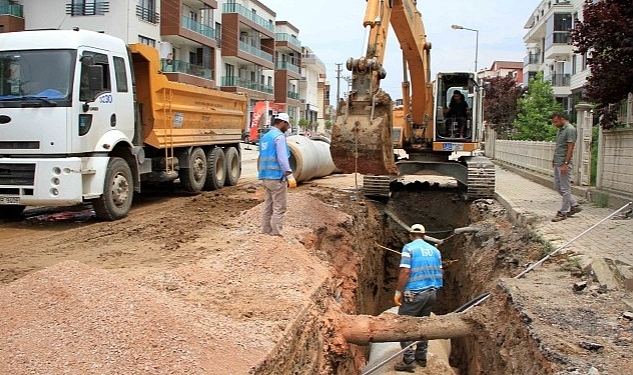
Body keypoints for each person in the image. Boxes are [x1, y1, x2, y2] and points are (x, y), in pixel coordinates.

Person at [393, 224, 443, 372]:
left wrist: (398, 292)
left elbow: (405, 272)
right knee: (423, 324)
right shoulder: (435, 250)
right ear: (424, 235)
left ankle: (409, 361)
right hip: (431, 293)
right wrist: (435, 288)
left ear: (410, 235)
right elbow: (441, 271)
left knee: (403, 326)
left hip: (415, 294)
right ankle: (421, 357)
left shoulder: (409, 248)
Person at [258, 113, 296, 236]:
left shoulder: (265, 137)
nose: (287, 128)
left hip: (265, 176)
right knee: (280, 207)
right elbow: (282, 158)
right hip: (276, 177)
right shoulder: (279, 137)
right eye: (287, 125)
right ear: (283, 123)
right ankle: (276, 234)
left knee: (268, 206)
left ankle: (265, 231)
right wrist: (289, 174)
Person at [551, 112, 582, 222]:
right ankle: (574, 204)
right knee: (557, 186)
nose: (554, 124)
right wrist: (554, 160)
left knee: (565, 188)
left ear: (562, 119)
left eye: (556, 121)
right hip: (558, 162)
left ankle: (563, 212)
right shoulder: (561, 130)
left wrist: (566, 163)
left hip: (564, 163)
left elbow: (570, 148)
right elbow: (559, 146)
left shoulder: (570, 130)